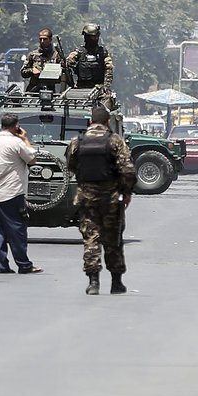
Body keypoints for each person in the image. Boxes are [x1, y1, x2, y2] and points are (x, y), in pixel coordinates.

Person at [66, 106, 136, 295]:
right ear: (107, 122)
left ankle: (93, 282)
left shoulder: (77, 141)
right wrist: (126, 191)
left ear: (90, 122)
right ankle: (116, 282)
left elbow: (71, 164)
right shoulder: (115, 140)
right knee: (113, 240)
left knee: (91, 238)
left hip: (86, 198)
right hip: (110, 198)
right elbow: (128, 169)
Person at [0, 114, 42, 274]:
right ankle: (24, 264)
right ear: (16, 126)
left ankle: (2, 266)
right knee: (17, 229)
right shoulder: (16, 143)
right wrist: (25, 139)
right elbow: (32, 159)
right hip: (12, 193)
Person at [66, 24, 114, 96]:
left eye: (96, 37)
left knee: (107, 100)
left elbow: (109, 68)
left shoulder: (102, 53)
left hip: (99, 88)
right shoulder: (79, 52)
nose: (95, 39)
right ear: (86, 37)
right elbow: (68, 62)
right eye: (93, 37)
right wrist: (68, 63)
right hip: (81, 88)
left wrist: (106, 86)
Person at [20, 28, 63, 92]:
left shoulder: (56, 56)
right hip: (33, 90)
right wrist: (32, 70)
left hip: (50, 90)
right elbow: (23, 72)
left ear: (50, 40)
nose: (42, 41)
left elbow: (63, 75)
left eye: (45, 39)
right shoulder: (33, 55)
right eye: (40, 39)